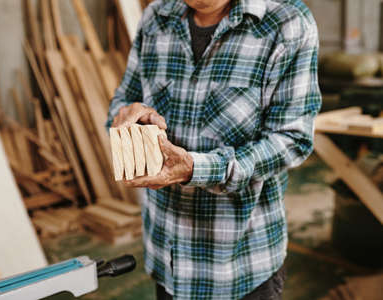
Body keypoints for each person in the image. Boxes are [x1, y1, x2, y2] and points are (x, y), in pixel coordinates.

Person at [107, 0, 321, 299]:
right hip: (167, 259)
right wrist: (132, 118)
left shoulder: (285, 23)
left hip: (239, 265)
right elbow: (122, 102)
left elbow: (292, 139)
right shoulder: (156, 18)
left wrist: (196, 169)